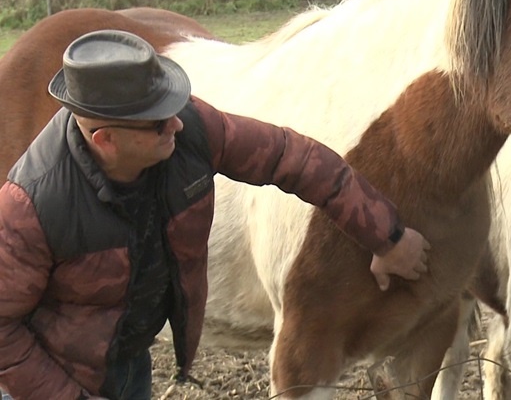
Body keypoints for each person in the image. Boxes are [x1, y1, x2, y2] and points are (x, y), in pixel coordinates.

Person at [0, 30, 431, 400]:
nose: (177, 125)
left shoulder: (185, 129)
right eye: (155, 123)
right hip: (45, 376)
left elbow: (292, 157)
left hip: (128, 359)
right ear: (107, 140)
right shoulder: (32, 207)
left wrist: (386, 236)